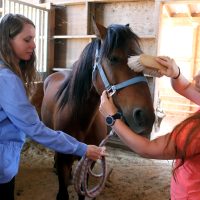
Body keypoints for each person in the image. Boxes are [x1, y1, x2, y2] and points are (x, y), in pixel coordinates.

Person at [0, 13, 105, 200]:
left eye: (33, 38)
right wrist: (82, 148)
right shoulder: (6, 79)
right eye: (27, 39)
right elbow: (35, 129)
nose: (33, 45)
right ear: (7, 40)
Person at [99, 56, 200, 200]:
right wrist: (176, 73)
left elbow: (147, 148)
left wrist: (112, 118)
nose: (195, 77)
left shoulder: (195, 131)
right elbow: (185, 87)